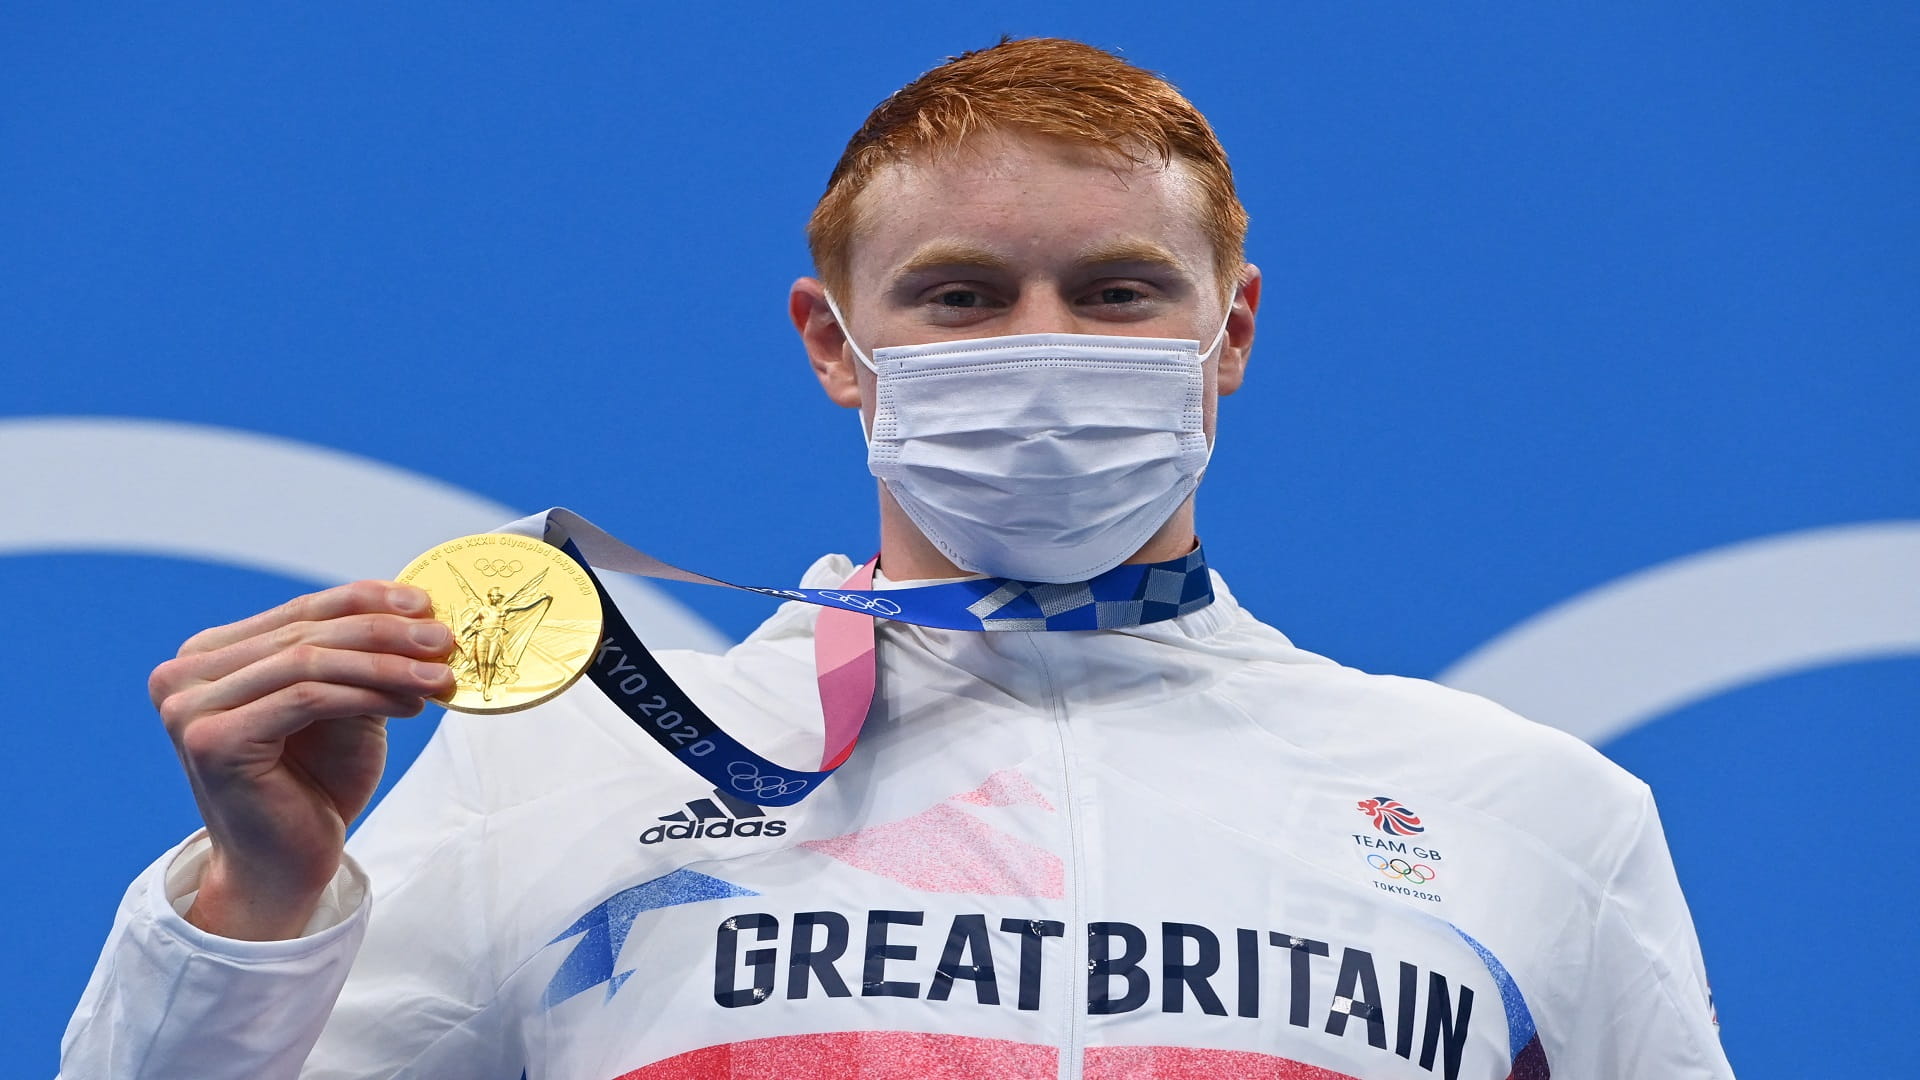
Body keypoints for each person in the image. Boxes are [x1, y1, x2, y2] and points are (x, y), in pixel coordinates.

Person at [61, 38, 1734, 1080]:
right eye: (959, 295)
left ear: (1230, 332)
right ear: (833, 343)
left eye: (1118, 290)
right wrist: (256, 908)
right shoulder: (554, 776)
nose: (1044, 341)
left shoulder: (1531, 817)